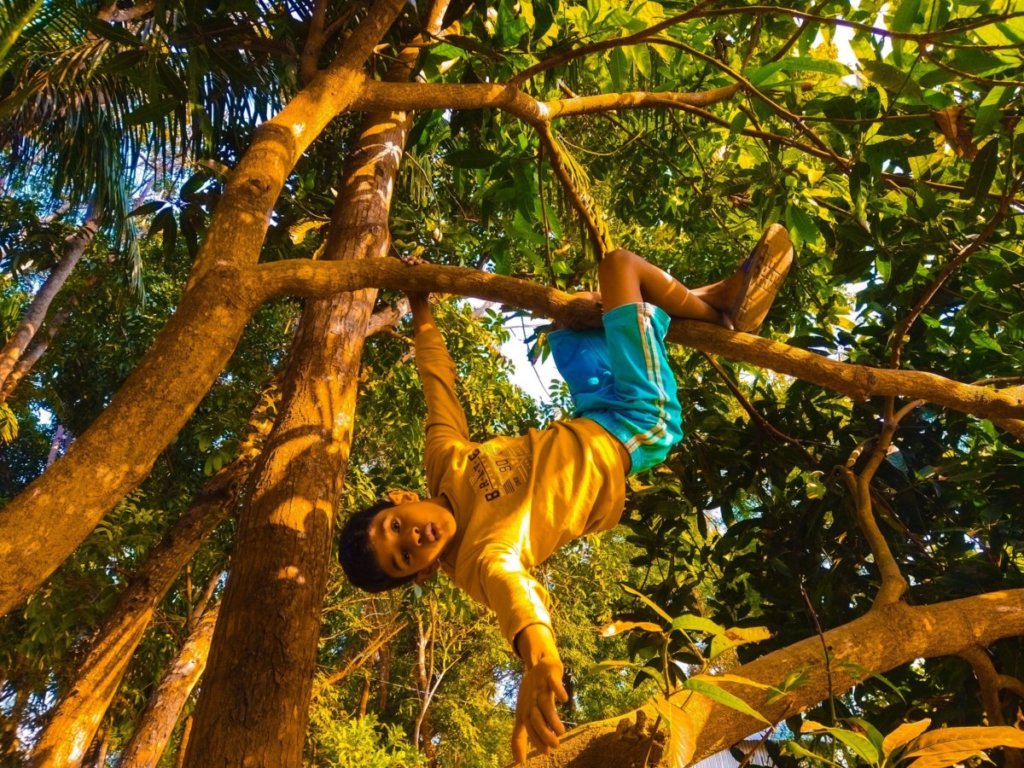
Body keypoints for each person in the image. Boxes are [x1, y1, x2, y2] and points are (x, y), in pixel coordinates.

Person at [338, 224, 793, 764]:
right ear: (421, 571)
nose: (414, 538)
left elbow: (438, 387)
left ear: (397, 497)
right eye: (406, 558)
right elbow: (517, 599)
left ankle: (716, 303)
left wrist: (422, 310)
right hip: (633, 426)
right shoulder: (481, 559)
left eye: (396, 529)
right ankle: (719, 304)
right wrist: (540, 660)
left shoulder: (446, 464)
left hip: (593, 409)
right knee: (620, 267)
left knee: (572, 318)